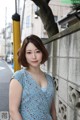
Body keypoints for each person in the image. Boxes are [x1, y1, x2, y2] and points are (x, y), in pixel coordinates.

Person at [9, 34, 56, 120]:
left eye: (37, 51)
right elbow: (13, 111)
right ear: (24, 55)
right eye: (29, 52)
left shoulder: (49, 78)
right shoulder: (19, 77)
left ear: (42, 52)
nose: (34, 56)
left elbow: (52, 108)